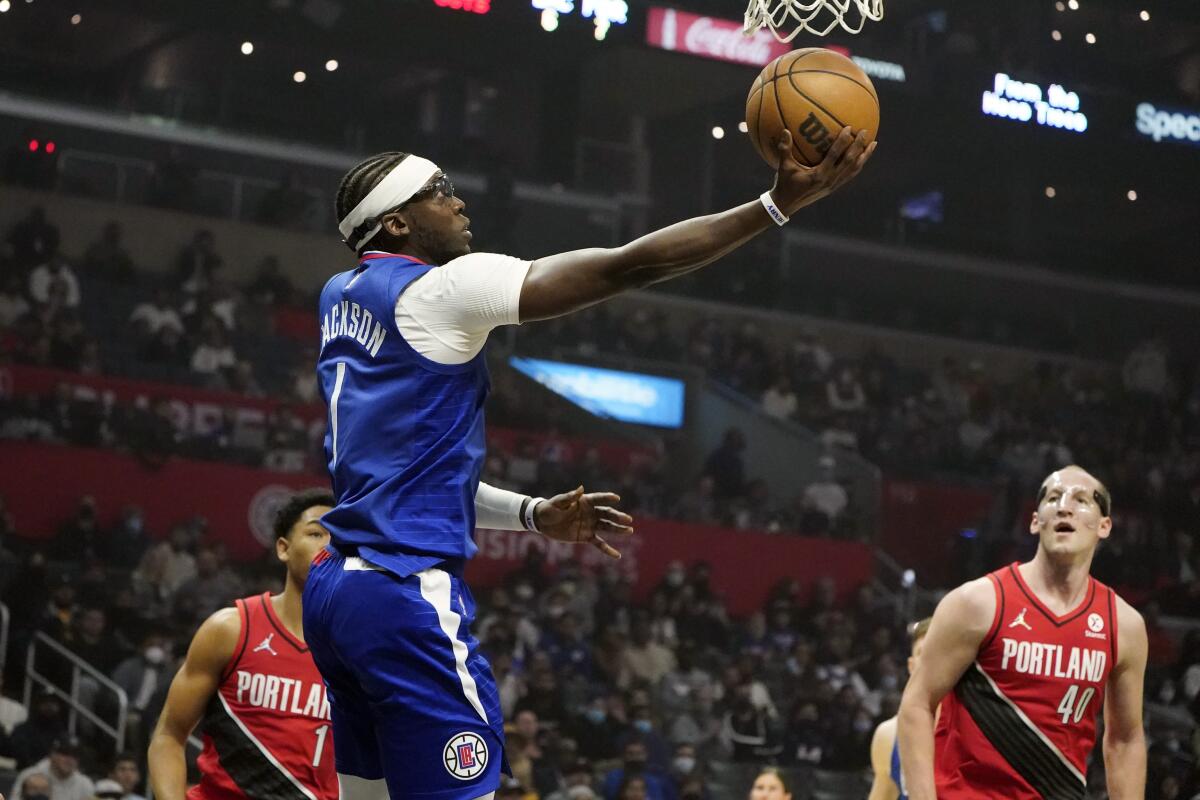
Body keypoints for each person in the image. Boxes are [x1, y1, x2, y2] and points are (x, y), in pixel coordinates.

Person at [304, 129, 872, 800]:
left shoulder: (339, 295)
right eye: (440, 191)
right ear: (397, 220)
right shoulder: (442, 291)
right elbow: (625, 266)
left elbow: (415, 474)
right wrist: (772, 206)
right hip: (405, 596)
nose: (459, 203)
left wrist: (531, 514)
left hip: (336, 593)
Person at [898, 465, 1148, 799]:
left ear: (1104, 526)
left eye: (1082, 500)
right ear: (1035, 521)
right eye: (1054, 498)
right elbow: (917, 704)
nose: (1064, 506)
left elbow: (1125, 739)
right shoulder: (978, 602)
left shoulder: (1124, 625)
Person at [147, 490, 339, 800]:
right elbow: (168, 735)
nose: (329, 545)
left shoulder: (361, 652)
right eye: (316, 533)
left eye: (339, 537)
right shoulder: (230, 629)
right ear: (283, 549)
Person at [867, 618, 930, 800]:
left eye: (938, 652)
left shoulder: (978, 730)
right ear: (911, 666)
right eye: (923, 653)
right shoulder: (889, 734)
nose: (930, 660)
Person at [10, 737, 94, 800]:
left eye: (75, 756)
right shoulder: (30, 776)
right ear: (53, 754)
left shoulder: (85, 784)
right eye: (65, 754)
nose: (70, 760)